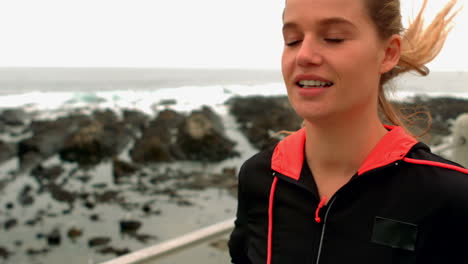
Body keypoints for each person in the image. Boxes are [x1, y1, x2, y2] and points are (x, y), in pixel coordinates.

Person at [228, 0, 468, 263]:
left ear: (388, 53)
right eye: (292, 40)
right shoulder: (260, 178)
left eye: (334, 38)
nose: (304, 55)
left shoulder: (450, 195)